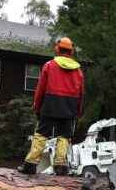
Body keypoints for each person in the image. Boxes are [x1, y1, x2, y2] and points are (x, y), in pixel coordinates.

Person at [18, 37, 84, 176]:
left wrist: (37, 106)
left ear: (57, 49)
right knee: (64, 136)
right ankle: (61, 166)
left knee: (41, 134)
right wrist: (77, 111)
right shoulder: (78, 71)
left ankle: (30, 165)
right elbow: (81, 93)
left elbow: (40, 88)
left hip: (50, 103)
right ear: (71, 52)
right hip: (70, 105)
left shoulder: (49, 65)